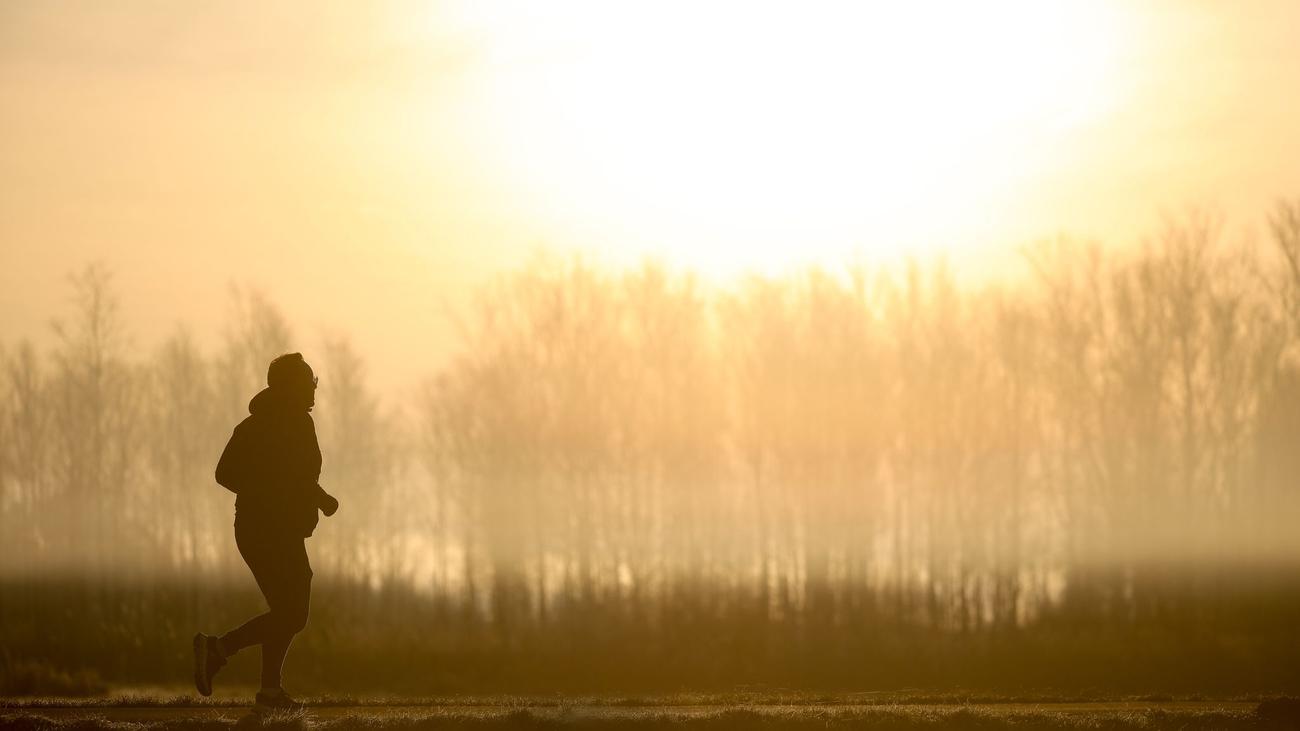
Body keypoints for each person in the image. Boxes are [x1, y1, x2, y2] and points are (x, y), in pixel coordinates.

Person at [193, 352, 339, 711]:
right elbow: (231, 474)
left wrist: (315, 498)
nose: (314, 390)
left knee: (287, 611)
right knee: (291, 613)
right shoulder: (272, 425)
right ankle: (221, 649)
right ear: (290, 387)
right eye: (308, 382)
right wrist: (298, 496)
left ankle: (269, 691)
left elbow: (293, 477)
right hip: (266, 530)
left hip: (273, 530)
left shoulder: (279, 424)